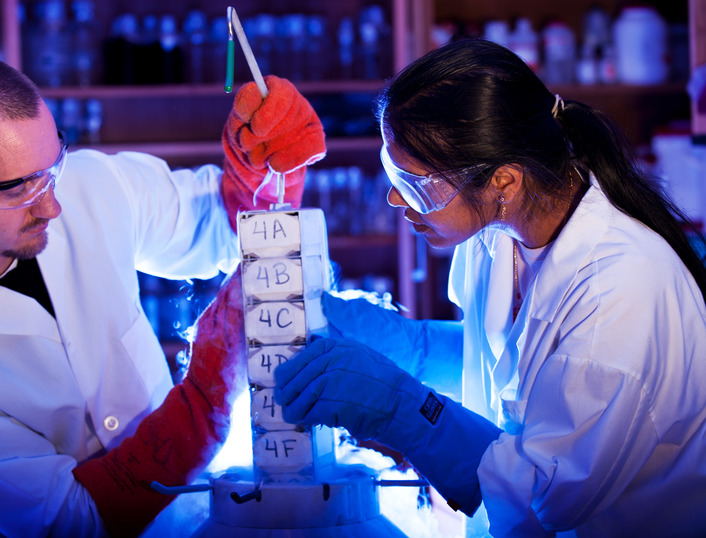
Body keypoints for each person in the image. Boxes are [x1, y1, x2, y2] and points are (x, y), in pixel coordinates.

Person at [0, 51, 325, 537]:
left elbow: (218, 232)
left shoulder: (91, 183)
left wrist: (257, 171)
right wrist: (202, 402)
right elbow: (72, 521)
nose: (52, 204)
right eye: (16, 188)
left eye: (51, 167)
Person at [274, 39, 706, 537]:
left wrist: (401, 408)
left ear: (503, 181)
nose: (394, 197)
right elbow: (517, 367)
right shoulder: (497, 233)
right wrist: (410, 348)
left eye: (411, 182)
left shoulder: (621, 292)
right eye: (390, 170)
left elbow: (543, 495)